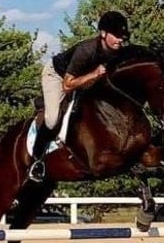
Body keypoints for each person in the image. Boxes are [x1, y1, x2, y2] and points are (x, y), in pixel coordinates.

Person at [28, 10, 131, 182]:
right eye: (116, 35)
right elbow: (67, 85)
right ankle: (37, 160)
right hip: (58, 77)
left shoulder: (118, 51)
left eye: (122, 35)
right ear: (103, 33)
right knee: (52, 119)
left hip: (84, 80)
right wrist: (94, 74)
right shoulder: (87, 50)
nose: (120, 39)